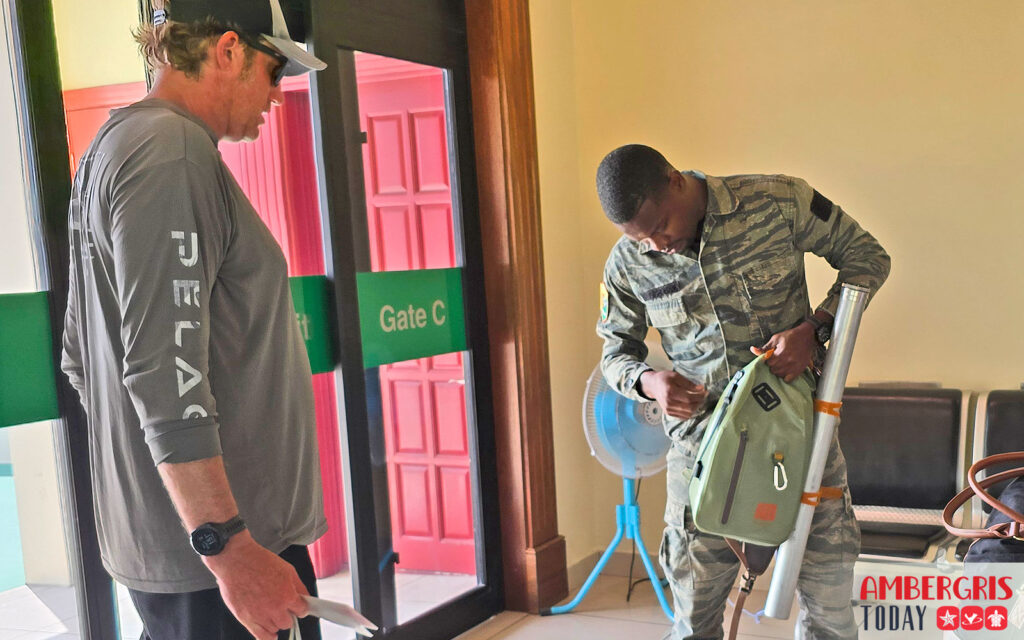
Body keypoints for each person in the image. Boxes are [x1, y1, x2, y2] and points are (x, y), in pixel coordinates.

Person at [60, 1, 328, 638]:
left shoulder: (122, 142)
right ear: (228, 50)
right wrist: (227, 547)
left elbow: (80, 355)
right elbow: (164, 373)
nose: (277, 95)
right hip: (227, 563)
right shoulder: (171, 151)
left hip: (203, 555)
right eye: (273, 71)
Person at [595, 144, 891, 639]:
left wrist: (815, 328)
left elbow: (868, 259)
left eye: (661, 225)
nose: (659, 243)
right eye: (642, 238)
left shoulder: (777, 201)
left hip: (799, 445)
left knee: (830, 619)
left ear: (674, 180)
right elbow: (614, 353)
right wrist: (650, 382)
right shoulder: (628, 262)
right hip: (700, 461)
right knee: (693, 623)